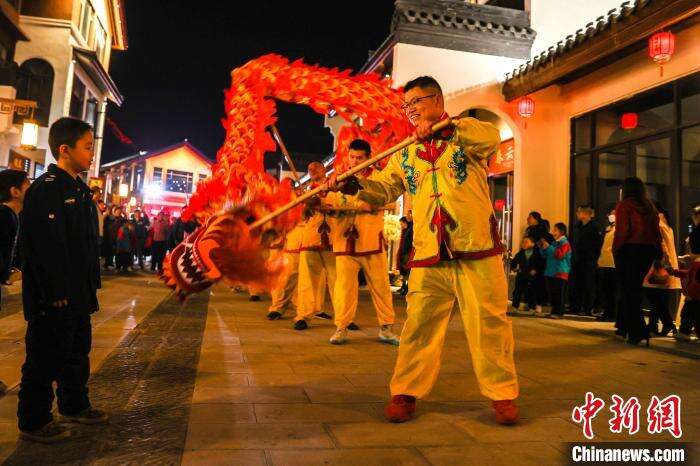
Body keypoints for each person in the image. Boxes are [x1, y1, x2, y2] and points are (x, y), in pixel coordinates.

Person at [327, 76, 518, 425]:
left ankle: (502, 394)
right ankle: (405, 390)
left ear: (437, 99)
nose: (412, 110)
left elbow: (490, 138)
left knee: (489, 324)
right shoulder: (405, 152)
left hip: (476, 247)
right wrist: (355, 184)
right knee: (418, 326)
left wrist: (446, 130)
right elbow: (384, 190)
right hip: (429, 251)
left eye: (417, 102)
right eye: (407, 105)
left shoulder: (466, 133)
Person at [17, 117, 107, 443]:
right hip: (54, 296)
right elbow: (43, 247)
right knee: (44, 357)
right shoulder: (47, 190)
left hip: (78, 293)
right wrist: (54, 290)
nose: (91, 154)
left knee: (76, 351)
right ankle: (34, 419)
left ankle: (75, 404)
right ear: (65, 150)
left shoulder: (79, 190)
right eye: (87, 147)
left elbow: (83, 245)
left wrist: (89, 287)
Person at [325, 139, 399, 346]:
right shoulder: (338, 179)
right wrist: (325, 203)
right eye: (352, 157)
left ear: (368, 157)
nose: (355, 160)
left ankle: (386, 328)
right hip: (345, 243)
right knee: (344, 290)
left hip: (371, 243)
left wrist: (371, 203)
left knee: (381, 288)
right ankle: (341, 328)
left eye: (359, 157)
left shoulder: (378, 178)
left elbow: (390, 200)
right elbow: (330, 204)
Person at [612, 176, 662, 346]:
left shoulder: (624, 205)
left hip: (629, 249)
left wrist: (616, 249)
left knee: (628, 291)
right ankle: (632, 329)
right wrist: (658, 253)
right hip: (647, 251)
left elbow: (622, 231)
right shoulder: (650, 207)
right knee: (635, 290)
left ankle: (637, 331)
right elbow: (657, 232)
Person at [293, 161, 337, 330]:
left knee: (338, 281)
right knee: (307, 281)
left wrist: (327, 205)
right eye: (309, 169)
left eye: (315, 168)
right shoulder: (306, 192)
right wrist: (307, 204)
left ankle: (343, 318)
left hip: (333, 239)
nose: (311, 171)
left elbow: (343, 205)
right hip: (311, 238)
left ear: (323, 169)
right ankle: (303, 316)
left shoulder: (335, 184)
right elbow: (302, 215)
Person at [0, 169, 30, 395]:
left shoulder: (13, 216)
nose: (31, 189)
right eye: (27, 185)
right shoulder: (4, 216)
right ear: (15, 191)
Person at [643, 206, 681, 337]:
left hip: (658, 266)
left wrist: (665, 264)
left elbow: (662, 246)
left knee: (655, 297)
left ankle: (666, 324)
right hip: (664, 266)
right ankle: (659, 325)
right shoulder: (668, 227)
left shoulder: (658, 225)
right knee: (658, 298)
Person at [570, 205, 603, 316]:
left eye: (579, 212)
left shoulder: (595, 227)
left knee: (588, 284)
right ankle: (575, 306)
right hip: (577, 259)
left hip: (589, 259)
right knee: (576, 283)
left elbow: (598, 244)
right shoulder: (578, 226)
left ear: (585, 214)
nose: (577, 214)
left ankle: (587, 308)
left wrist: (595, 258)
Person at [670, 229, 699, 342]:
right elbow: (690, 274)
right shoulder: (696, 262)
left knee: (689, 313)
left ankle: (684, 331)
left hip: (694, 296)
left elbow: (695, 280)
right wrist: (675, 272)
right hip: (694, 296)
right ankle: (685, 331)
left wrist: (690, 294)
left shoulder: (697, 263)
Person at [539, 223, 572, 318]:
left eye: (555, 230)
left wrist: (548, 247)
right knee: (552, 294)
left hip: (560, 272)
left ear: (562, 232)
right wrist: (542, 247)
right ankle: (554, 311)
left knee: (559, 294)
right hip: (551, 271)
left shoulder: (565, 243)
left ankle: (559, 312)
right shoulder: (554, 243)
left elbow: (559, 255)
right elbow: (545, 256)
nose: (553, 233)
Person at [510, 236, 544, 313]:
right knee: (517, 291)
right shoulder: (520, 253)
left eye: (526, 242)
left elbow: (541, 264)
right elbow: (514, 262)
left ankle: (532, 307)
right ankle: (515, 306)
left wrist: (536, 270)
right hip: (521, 275)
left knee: (531, 291)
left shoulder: (537, 253)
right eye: (523, 242)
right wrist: (514, 268)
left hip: (532, 276)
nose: (524, 244)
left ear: (533, 243)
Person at [596, 207, 618, 322]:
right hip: (605, 261)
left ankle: (611, 313)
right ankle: (607, 312)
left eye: (614, 213)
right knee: (606, 290)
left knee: (612, 290)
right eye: (610, 214)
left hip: (613, 263)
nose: (611, 215)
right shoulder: (609, 228)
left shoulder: (619, 228)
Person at [397, 216, 413, 296]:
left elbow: (409, 242)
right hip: (404, 252)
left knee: (407, 271)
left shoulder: (410, 230)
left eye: (401, 224)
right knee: (403, 271)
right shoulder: (406, 231)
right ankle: (404, 286)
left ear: (405, 222)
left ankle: (407, 288)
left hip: (407, 252)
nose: (401, 225)